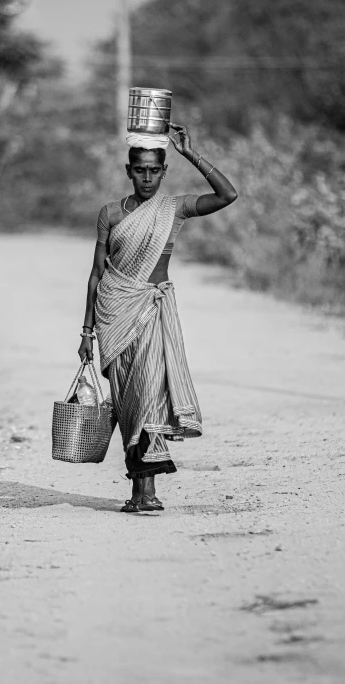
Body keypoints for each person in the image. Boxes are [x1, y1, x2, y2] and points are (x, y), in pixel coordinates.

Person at [78, 122, 238, 513]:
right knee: (128, 402)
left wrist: (189, 152)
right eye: (140, 169)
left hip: (151, 311)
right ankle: (138, 493)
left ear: (164, 172)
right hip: (113, 315)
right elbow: (98, 274)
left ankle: (147, 493)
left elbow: (227, 195)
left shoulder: (174, 209)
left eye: (154, 170)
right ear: (129, 171)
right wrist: (86, 332)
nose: (147, 177)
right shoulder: (111, 214)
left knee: (149, 396)